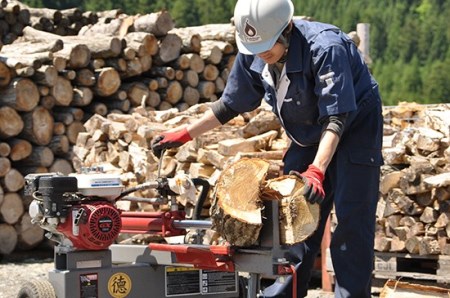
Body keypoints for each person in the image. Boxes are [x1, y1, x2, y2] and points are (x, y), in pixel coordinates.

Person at [152, 0, 383, 297]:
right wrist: (185, 133)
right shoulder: (253, 51)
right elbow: (230, 104)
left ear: (286, 28)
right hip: (306, 134)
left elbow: (337, 115)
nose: (262, 53)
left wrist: (317, 170)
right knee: (293, 218)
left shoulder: (326, 48)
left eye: (268, 46)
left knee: (352, 221)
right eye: (255, 47)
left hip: (355, 128)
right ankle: (284, 293)